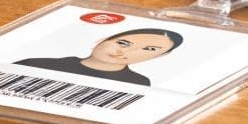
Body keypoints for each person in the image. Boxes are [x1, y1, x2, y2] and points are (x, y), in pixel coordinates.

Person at [15, 28, 184, 86]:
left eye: (150, 49)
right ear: (103, 39)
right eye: (123, 43)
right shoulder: (35, 65)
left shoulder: (139, 84)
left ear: (160, 56)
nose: (124, 52)